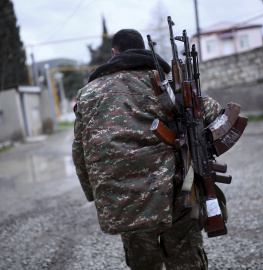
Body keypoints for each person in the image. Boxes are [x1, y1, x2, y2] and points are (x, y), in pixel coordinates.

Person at [72, 29, 222, 270]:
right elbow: (216, 114)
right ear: (142, 49)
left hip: (123, 199)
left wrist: (95, 194)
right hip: (176, 191)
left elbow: (79, 152)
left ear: (114, 53)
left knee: (144, 263)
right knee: (186, 260)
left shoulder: (88, 94)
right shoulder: (168, 81)